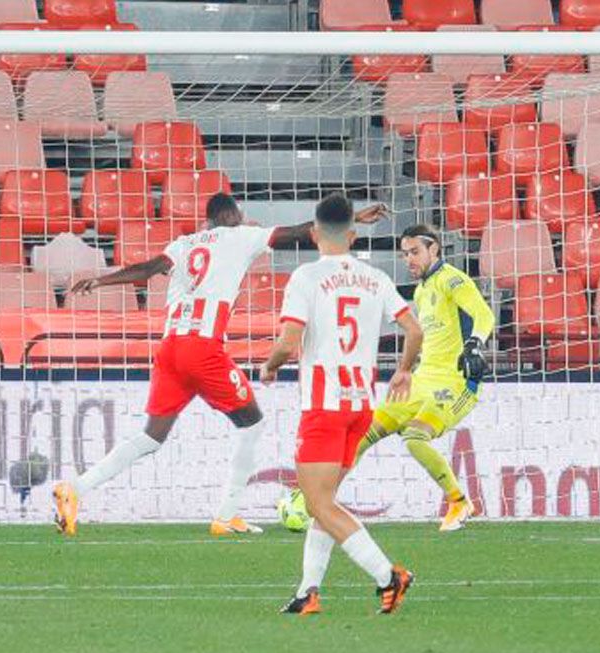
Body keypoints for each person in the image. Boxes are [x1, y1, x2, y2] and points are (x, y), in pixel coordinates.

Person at [52, 193, 389, 537]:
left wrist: (99, 280)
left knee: (151, 437)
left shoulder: (183, 243)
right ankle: (226, 515)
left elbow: (147, 270)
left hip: (170, 350)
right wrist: (351, 220)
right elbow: (300, 231)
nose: (243, 216)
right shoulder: (239, 235)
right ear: (230, 214)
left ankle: (74, 489)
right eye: (240, 212)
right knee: (252, 423)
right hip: (203, 348)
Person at [260, 194, 423, 615]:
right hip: (360, 406)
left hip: (325, 405)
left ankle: (389, 575)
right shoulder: (376, 277)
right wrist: (403, 371)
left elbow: (289, 341)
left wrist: (270, 365)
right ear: (352, 235)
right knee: (326, 501)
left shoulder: (306, 277)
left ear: (314, 234)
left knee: (319, 503)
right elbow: (414, 330)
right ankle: (307, 591)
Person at [352, 224, 495, 531]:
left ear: (435, 249)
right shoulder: (421, 290)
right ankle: (317, 501)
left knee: (415, 438)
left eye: (415, 252)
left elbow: (485, 315)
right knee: (361, 433)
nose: (409, 260)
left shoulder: (453, 280)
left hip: (455, 383)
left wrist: (474, 345)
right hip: (421, 380)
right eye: (405, 254)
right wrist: (406, 372)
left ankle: (458, 501)